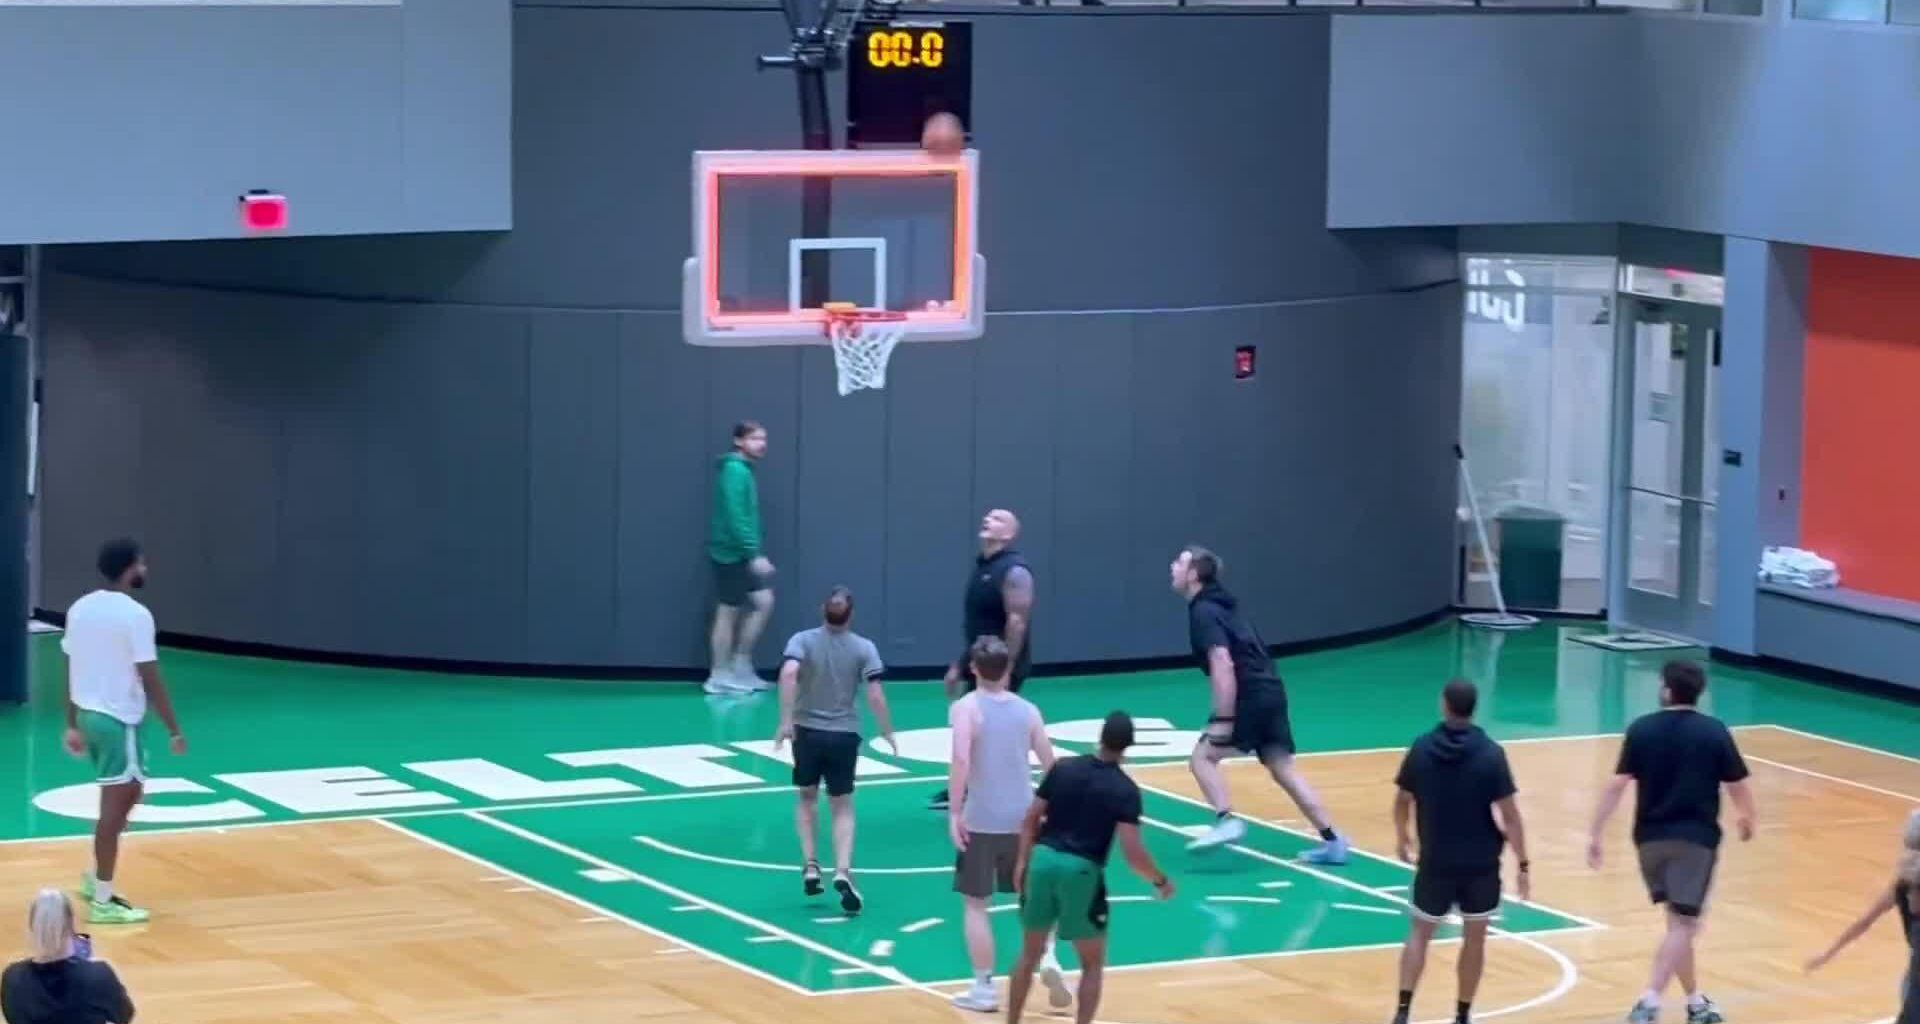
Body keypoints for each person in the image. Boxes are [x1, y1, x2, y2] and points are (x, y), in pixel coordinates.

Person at [1588, 660, 1755, 1024]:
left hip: (1648, 841)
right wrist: (1747, 816)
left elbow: (1617, 784)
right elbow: (1737, 783)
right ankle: (1648, 1002)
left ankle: (1696, 1003)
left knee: (1677, 924)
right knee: (1685, 925)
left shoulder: (1641, 729)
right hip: (1694, 842)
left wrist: (1596, 832)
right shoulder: (1714, 732)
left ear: (1666, 689)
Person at [1169, 546, 1346, 863]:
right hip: (1272, 690)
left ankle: (1226, 819)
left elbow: (1222, 662)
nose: (1172, 567)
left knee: (1202, 757)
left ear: (1193, 574)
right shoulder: (1225, 606)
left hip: (1249, 694)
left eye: (1179, 563)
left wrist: (1223, 716)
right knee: (1282, 768)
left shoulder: (1203, 611)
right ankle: (1334, 842)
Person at [1007, 711, 1174, 1024]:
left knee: (1028, 955)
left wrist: (1021, 862)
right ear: (1128, 746)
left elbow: (1030, 819)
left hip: (1042, 861)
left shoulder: (1063, 769)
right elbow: (1133, 854)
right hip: (1081, 872)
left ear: (1100, 737)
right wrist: (1160, 880)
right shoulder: (1125, 790)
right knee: (1092, 965)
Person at [1390, 679, 1531, 1024]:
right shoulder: (1491, 754)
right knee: (1475, 939)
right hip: (1480, 864)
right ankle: (1463, 1014)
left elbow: (1402, 799)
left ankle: (1403, 1011)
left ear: (1444, 704)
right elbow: (1511, 816)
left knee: (1420, 933)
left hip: (1436, 860)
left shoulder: (1422, 748)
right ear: (1474, 708)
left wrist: (1402, 837)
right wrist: (1523, 864)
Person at [61, 539, 184, 925]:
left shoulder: (80, 608)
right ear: (130, 568)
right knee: (114, 811)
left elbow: (71, 665)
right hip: (118, 721)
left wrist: (72, 722)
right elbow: (150, 674)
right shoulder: (136, 615)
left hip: (90, 717)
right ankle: (103, 900)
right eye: (142, 564)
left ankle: (96, 875)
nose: (145, 570)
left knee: (127, 794)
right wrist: (173, 728)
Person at [945, 637, 1068, 1014]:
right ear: (1009, 669)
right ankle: (1050, 955)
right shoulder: (1028, 711)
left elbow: (961, 760)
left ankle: (984, 987)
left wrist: (954, 812)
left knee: (975, 905)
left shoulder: (966, 708)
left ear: (973, 669)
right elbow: (1052, 766)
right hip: (1024, 821)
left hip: (981, 821)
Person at [773, 586, 896, 914]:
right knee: (842, 805)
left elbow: (789, 672)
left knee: (807, 798)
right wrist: (886, 729)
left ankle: (811, 864)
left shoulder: (801, 640)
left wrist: (785, 721)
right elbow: (875, 694)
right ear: (851, 615)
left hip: (807, 732)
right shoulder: (864, 648)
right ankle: (842, 870)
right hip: (844, 734)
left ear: (822, 610)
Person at [930, 508, 1034, 811]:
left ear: (1009, 534)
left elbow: (1016, 623)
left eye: (998, 519)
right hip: (980, 662)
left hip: (999, 668)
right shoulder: (983, 567)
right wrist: (959, 665)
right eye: (988, 516)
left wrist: (1006, 668)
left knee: (988, 732)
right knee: (973, 730)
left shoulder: (1015, 571)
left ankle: (984, 794)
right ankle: (965, 788)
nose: (988, 519)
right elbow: (980, 627)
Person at [1805, 808, 1920, 1024]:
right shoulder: (1900, 885)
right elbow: (1864, 921)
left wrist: (1828, 953)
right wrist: (1828, 952)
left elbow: (1864, 921)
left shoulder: (1903, 882)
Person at [706, 421, 774, 695]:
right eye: (755, 438)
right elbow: (736, 516)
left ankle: (740, 665)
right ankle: (719, 675)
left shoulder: (743, 470)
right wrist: (753, 553)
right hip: (730, 554)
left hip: (740, 553)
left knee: (763, 602)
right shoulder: (734, 471)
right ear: (738, 441)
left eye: (763, 438)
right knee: (728, 611)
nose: (761, 444)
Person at [1, 888, 135, 1024]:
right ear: (71, 927)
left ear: (31, 927)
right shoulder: (98, 975)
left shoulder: (13, 978)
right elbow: (124, 1015)